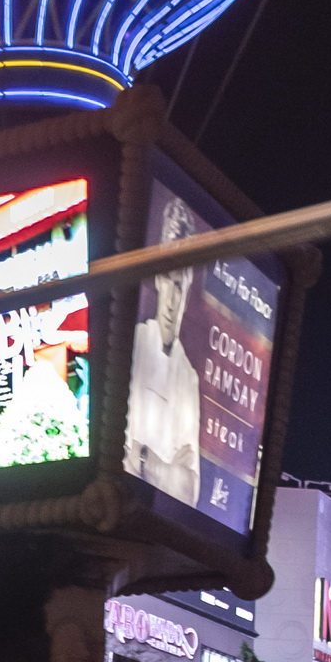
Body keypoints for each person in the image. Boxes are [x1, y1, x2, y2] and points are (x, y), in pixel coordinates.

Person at [125, 191, 202, 508]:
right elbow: (113, 461)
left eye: (180, 285)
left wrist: (142, 457)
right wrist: (167, 470)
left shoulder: (189, 378)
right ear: (157, 279)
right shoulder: (133, 344)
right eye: (168, 281)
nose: (172, 299)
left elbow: (190, 492)